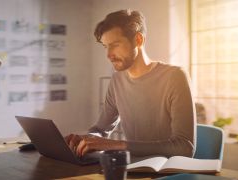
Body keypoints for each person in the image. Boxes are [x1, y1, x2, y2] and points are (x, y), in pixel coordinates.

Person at [65, 9, 196, 158]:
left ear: (138, 40)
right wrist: (87, 139)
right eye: (106, 46)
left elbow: (185, 148)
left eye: (115, 45)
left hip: (168, 172)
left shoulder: (175, 76)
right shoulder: (117, 80)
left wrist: (115, 145)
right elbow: (101, 128)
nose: (108, 55)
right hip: (134, 169)